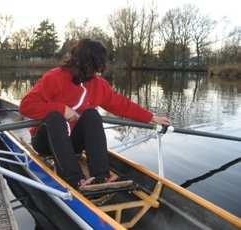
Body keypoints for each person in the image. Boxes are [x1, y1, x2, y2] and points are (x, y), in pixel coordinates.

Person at [19, 39, 170, 188]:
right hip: (45, 142)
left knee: (92, 114)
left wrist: (151, 117)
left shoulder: (97, 84)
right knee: (55, 116)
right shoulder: (54, 78)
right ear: (84, 62)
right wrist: (62, 109)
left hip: (72, 144)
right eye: (96, 66)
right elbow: (26, 106)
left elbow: (121, 104)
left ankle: (101, 176)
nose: (98, 71)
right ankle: (74, 179)